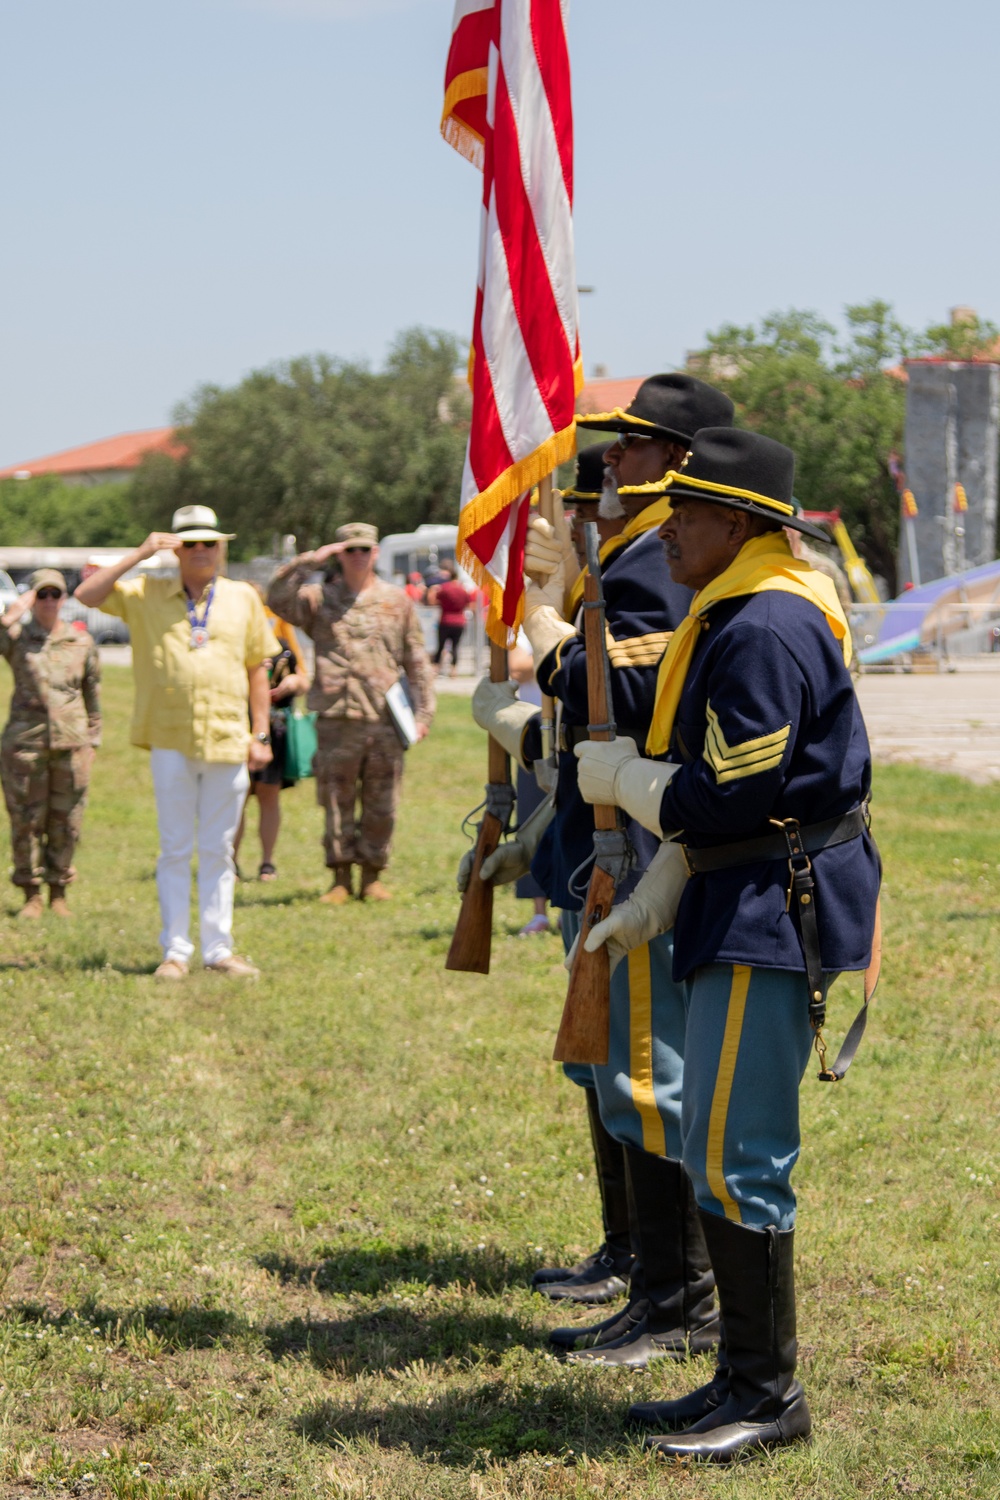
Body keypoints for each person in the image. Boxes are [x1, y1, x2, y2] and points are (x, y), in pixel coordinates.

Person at [575, 427, 880, 1461]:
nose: (664, 529)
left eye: (689, 511)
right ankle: (735, 1380)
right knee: (712, 1139)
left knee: (736, 1151)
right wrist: (661, 890)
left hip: (769, 906)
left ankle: (765, 1392)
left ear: (743, 523)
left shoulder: (761, 624)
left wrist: (626, 784)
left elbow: (729, 792)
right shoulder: (734, 607)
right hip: (737, 890)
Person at [470, 375, 735, 1368]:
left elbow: (614, 688)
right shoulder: (644, 552)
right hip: (605, 840)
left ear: (680, 457)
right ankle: (642, 1270)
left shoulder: (667, 558)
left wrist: (541, 633)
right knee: (611, 1067)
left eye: (631, 447)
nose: (611, 463)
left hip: (652, 847)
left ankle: (673, 1299)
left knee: (643, 1074)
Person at [75, 505, 279, 981]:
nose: (202, 551)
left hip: (229, 735)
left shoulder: (242, 597)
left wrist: (261, 733)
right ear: (175, 548)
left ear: (222, 546)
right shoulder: (145, 592)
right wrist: (141, 553)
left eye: (210, 542)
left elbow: (257, 668)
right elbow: (87, 593)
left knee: (218, 848)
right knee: (174, 847)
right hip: (169, 737)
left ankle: (219, 948)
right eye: (191, 543)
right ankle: (176, 951)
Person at [266, 522, 435, 904]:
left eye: (364, 549)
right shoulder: (318, 598)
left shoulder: (397, 601)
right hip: (336, 719)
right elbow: (276, 598)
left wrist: (423, 715)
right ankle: (340, 877)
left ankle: (373, 875)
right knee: (335, 800)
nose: (357, 556)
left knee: (382, 801)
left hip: (385, 719)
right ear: (338, 554)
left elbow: (417, 660)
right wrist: (310, 560)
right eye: (349, 550)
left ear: (375, 553)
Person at [0, 570, 100, 918]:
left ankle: (58, 891)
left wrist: (94, 738)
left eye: (54, 594)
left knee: (66, 821)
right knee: (26, 821)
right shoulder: (16, 638)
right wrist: (11, 614)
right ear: (32, 599)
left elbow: (92, 692)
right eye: (41, 595)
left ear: (63, 598)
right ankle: (31, 893)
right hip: (25, 747)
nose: (48, 601)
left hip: (72, 745)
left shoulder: (80, 642)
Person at [233, 583, 310, 882]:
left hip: (275, 725)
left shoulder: (280, 626)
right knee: (236, 794)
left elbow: (303, 677)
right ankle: (231, 862)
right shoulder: (228, 630)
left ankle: (267, 863)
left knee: (269, 794)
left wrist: (293, 683)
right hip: (238, 722)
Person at [427, 561, 475, 677]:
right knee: (455, 647)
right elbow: (470, 604)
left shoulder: (444, 588)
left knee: (441, 645)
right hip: (459, 621)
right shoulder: (463, 589)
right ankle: (453, 670)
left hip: (446, 620)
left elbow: (432, 601)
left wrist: (433, 591)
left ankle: (436, 668)